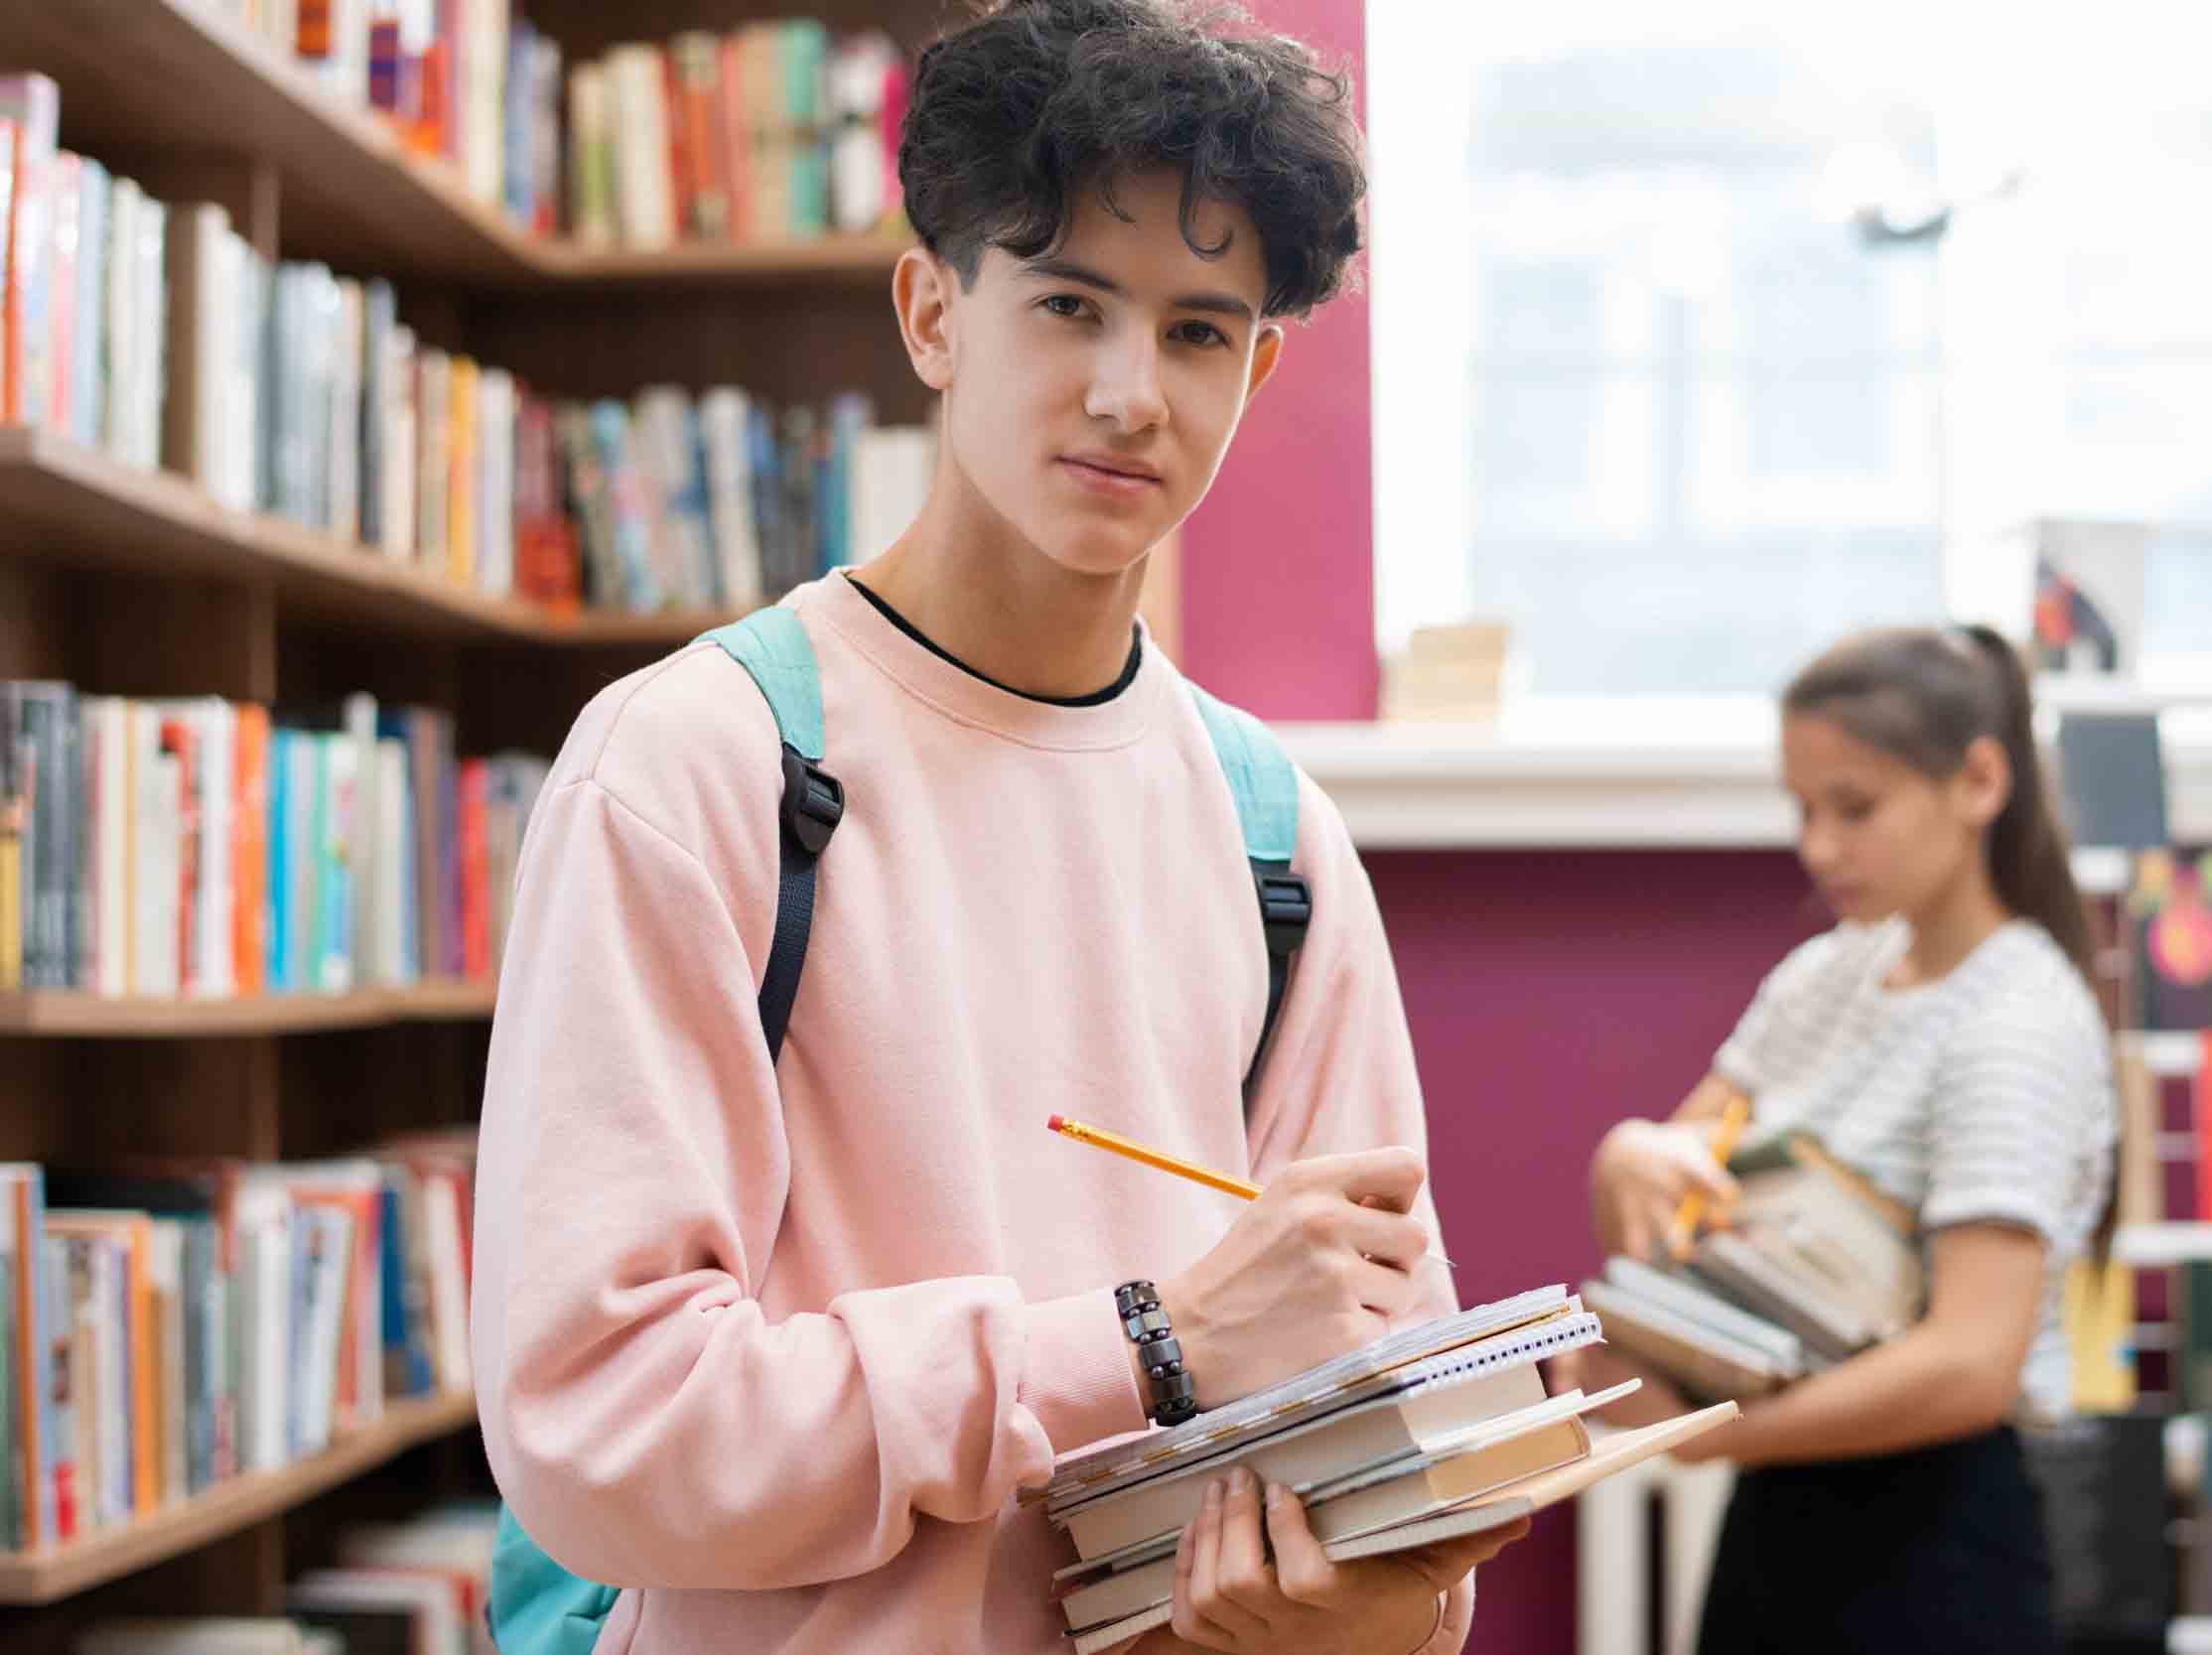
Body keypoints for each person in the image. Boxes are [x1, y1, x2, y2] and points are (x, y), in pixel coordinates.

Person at [469, 3, 1522, 1652]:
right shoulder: (693, 766)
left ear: (1256, 367)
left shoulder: (1277, 838)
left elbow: (1398, 1456)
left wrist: (1376, 1603)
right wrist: (1147, 1346)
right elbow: (602, 1433)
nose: (1124, 392)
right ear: (933, 310)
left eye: (1195, 331)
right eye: (1068, 303)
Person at [1556, 624, 2118, 1655]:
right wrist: (1625, 1152)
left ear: (1979, 780)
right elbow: (1660, 1217)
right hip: (1782, 1515)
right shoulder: (1826, 974)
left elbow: (1969, 1363)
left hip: (1939, 1543)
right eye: (1804, 807)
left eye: (1854, 807)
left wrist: (1706, 1433)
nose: (1818, 847)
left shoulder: (2019, 1020)